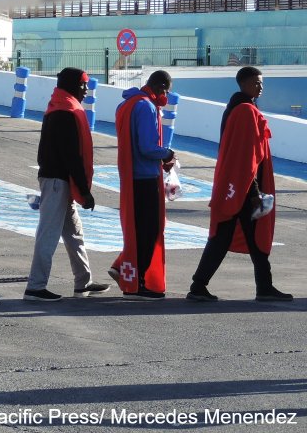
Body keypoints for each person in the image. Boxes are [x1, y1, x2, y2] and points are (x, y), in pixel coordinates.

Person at [187, 66, 292, 302]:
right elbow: (246, 157)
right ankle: (200, 286)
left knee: (239, 238)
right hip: (242, 188)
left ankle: (261, 286)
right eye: (256, 82)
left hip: (238, 186)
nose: (260, 86)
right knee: (228, 237)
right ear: (243, 84)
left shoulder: (239, 108)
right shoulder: (245, 111)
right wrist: (254, 192)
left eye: (262, 82)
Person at [24, 68, 110, 302]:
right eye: (83, 86)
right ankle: (35, 287)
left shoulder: (58, 106)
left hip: (57, 180)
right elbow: (72, 156)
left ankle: (83, 282)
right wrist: (84, 191)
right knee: (48, 235)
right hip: (57, 182)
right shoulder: (66, 112)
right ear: (72, 85)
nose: (85, 91)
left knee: (74, 234)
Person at [110, 70, 176, 300]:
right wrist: (168, 153)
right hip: (146, 179)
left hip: (132, 177)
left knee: (137, 229)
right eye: (166, 91)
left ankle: (122, 268)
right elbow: (148, 147)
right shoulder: (146, 107)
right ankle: (138, 283)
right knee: (150, 232)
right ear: (162, 88)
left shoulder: (126, 104)